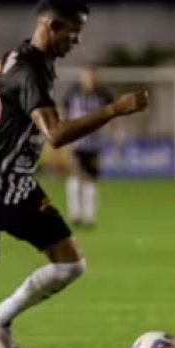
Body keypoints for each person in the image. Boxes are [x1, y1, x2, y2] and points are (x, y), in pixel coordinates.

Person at [0, 0, 148, 348]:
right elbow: (55, 134)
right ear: (51, 25)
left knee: (71, 264)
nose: (78, 40)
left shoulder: (23, 60)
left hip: (20, 187)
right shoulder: (28, 69)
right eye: (73, 31)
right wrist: (114, 110)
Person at [62, 65, 114, 228]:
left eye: (92, 76)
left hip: (94, 144)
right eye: (86, 75)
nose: (89, 79)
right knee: (75, 177)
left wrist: (116, 133)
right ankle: (76, 214)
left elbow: (113, 114)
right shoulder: (72, 92)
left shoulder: (104, 94)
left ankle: (89, 216)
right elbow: (64, 113)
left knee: (92, 180)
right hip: (76, 143)